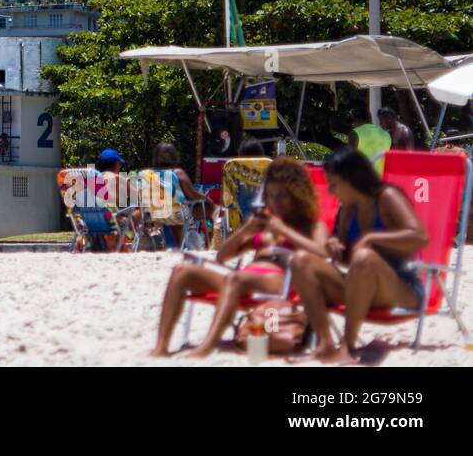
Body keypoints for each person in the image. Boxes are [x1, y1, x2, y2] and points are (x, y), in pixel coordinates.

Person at [151, 158, 328, 357]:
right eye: (271, 196)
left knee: (236, 279)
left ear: (298, 196)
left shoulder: (311, 226)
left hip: (279, 282)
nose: (275, 202)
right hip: (241, 280)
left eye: (282, 197)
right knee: (181, 271)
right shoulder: (264, 224)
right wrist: (247, 230)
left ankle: (208, 345)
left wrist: (284, 231)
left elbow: (323, 254)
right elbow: (222, 257)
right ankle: (161, 346)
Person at [287, 146, 427, 362]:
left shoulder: (387, 196)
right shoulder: (348, 210)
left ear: (352, 179)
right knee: (300, 260)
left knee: (365, 258)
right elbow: (346, 257)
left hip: (401, 287)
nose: (331, 191)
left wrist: (372, 238)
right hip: (360, 286)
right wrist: (334, 246)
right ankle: (325, 344)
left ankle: (347, 346)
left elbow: (419, 236)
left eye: (334, 184)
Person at [147, 142, 216, 246]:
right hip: (177, 214)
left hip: (155, 213)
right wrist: (206, 199)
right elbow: (192, 196)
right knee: (211, 207)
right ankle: (211, 242)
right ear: (175, 156)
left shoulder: (148, 174)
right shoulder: (177, 173)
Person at [346, 106, 391, 174]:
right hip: (380, 179)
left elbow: (350, 159)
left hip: (361, 178)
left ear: (356, 119)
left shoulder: (355, 133)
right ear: (370, 118)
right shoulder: (386, 134)